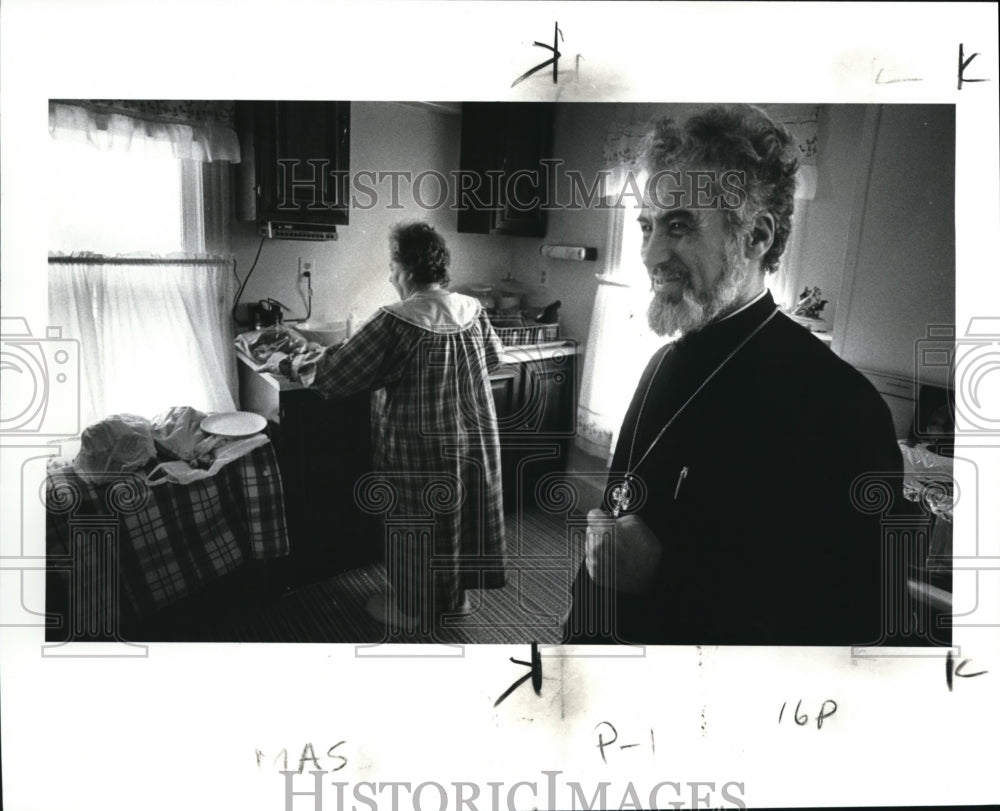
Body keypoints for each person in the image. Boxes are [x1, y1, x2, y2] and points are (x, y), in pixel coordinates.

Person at [563, 105, 906, 646]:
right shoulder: (661, 364)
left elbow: (852, 624)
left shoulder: (844, 408)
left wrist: (662, 576)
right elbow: (621, 512)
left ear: (756, 237)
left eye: (680, 226)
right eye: (648, 227)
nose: (651, 255)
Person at [284, 221, 507, 637]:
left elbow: (335, 374)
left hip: (417, 448)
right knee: (458, 515)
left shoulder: (396, 319)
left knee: (414, 525)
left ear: (407, 268)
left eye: (392, 265)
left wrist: (292, 361)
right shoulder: (472, 309)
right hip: (472, 439)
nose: (389, 275)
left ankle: (411, 607)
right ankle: (454, 597)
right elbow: (494, 361)